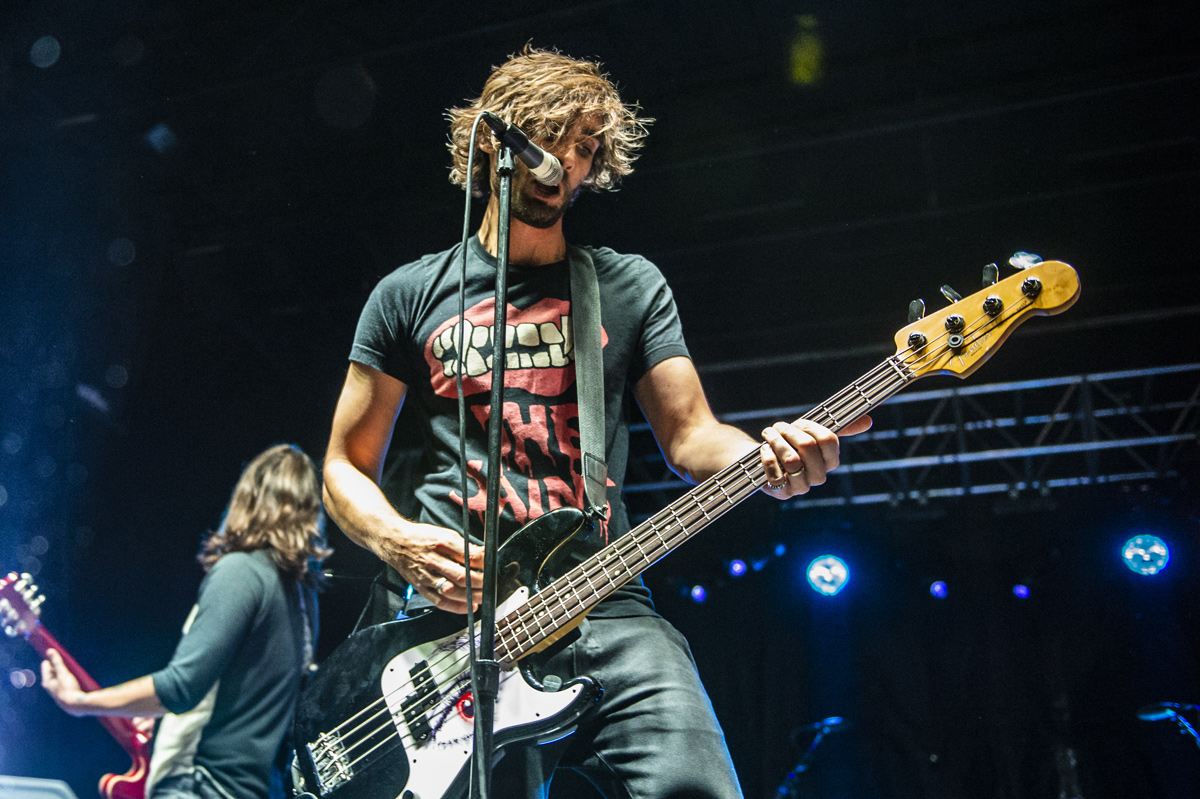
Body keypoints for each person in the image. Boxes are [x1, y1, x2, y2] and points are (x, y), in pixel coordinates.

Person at [322, 47, 871, 798]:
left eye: (583, 147)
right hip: (450, 623)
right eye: (547, 139)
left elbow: (691, 434)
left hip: (604, 599)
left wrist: (764, 454)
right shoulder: (406, 295)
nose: (563, 164)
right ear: (494, 140)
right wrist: (397, 539)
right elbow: (344, 465)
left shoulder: (627, 284)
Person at [41, 444, 330, 799]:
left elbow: (181, 687)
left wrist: (81, 702)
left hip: (200, 787)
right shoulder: (303, 598)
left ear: (248, 498)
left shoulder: (241, 571)